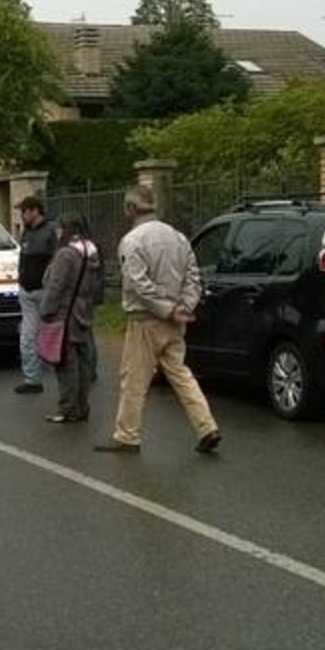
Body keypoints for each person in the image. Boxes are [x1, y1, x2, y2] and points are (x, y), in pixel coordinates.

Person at [96, 185, 222, 455]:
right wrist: (184, 306)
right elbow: (193, 277)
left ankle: (127, 436)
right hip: (175, 321)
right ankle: (206, 426)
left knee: (134, 379)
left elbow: (138, 284)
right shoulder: (178, 238)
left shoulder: (132, 241)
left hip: (145, 320)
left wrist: (166, 309)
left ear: (131, 208)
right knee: (181, 375)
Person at [39, 213, 102, 424]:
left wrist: (45, 310)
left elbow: (55, 286)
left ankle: (68, 407)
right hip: (84, 311)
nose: (58, 231)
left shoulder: (66, 254)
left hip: (65, 314)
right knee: (83, 363)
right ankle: (82, 406)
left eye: (60, 227)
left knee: (66, 363)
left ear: (68, 229)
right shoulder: (91, 251)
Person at [14, 195, 58, 395]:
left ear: (34, 210)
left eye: (24, 211)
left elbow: (57, 261)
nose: (22, 215)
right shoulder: (26, 232)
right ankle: (32, 379)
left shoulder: (51, 231)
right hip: (27, 290)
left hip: (44, 291)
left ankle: (75, 372)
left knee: (57, 334)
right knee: (27, 337)